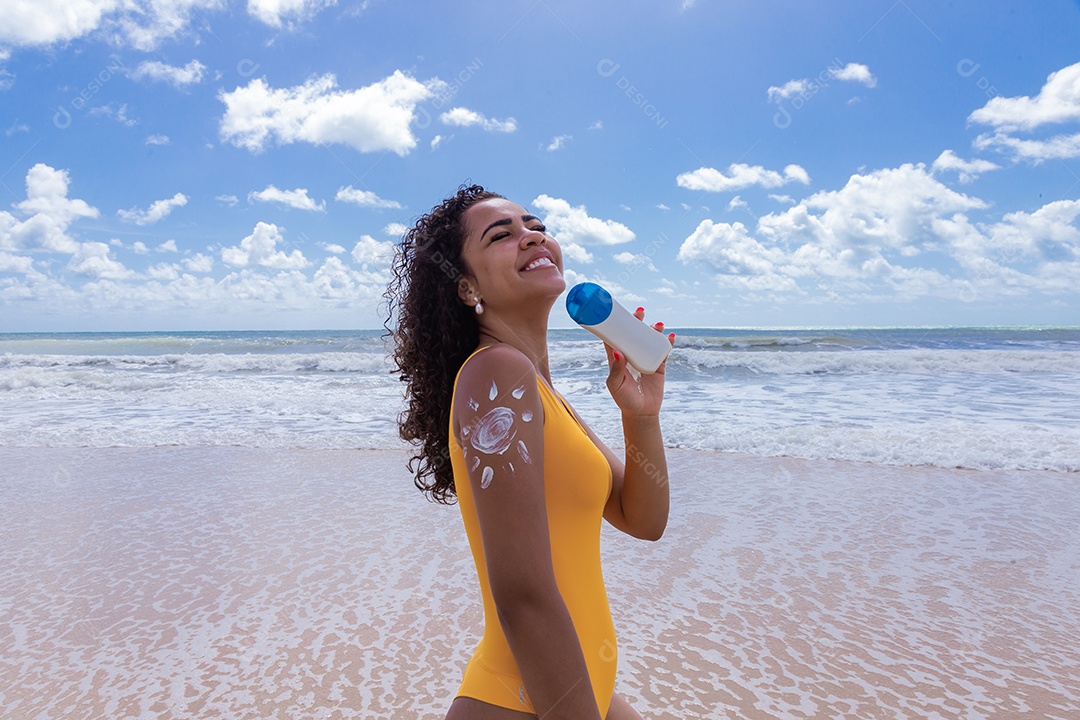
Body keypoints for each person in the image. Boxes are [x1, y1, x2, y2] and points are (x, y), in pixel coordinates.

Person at [384, 185, 673, 720]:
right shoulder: (497, 374)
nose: (530, 236)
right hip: (527, 701)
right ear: (466, 286)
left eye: (535, 225)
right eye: (502, 234)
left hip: (579, 689)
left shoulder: (540, 392)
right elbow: (522, 595)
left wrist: (640, 414)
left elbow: (643, 518)